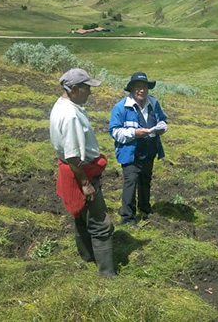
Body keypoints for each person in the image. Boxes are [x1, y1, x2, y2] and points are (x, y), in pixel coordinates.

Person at [49, 68, 115, 277]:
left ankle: (87, 258)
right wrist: (86, 183)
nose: (90, 92)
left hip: (75, 170)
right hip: (81, 172)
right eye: (87, 88)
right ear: (74, 89)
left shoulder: (62, 106)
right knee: (99, 222)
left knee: (81, 216)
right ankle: (107, 274)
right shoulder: (70, 116)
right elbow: (73, 156)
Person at [109, 72, 168, 226]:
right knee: (131, 182)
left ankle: (145, 208)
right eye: (138, 87)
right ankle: (127, 218)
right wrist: (134, 133)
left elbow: (162, 120)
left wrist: (162, 128)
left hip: (149, 150)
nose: (142, 90)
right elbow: (114, 132)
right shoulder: (121, 107)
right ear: (132, 89)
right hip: (130, 152)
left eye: (144, 87)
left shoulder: (154, 103)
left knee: (145, 180)